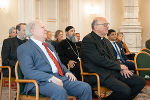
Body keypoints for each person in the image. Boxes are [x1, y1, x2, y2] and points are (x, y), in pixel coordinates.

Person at [17, 20, 92, 100]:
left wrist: (67, 72)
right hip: (40, 82)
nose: (46, 29)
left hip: (60, 78)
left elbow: (59, 63)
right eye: (42, 27)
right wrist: (50, 78)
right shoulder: (24, 48)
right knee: (59, 91)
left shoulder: (50, 46)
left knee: (85, 87)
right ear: (32, 31)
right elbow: (28, 71)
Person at [81, 17, 146, 100]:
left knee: (140, 82)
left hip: (112, 71)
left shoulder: (106, 41)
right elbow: (98, 60)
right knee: (125, 90)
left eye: (107, 24)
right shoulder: (88, 40)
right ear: (95, 27)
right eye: (105, 25)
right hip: (98, 74)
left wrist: (122, 67)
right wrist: (119, 67)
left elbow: (113, 58)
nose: (107, 26)